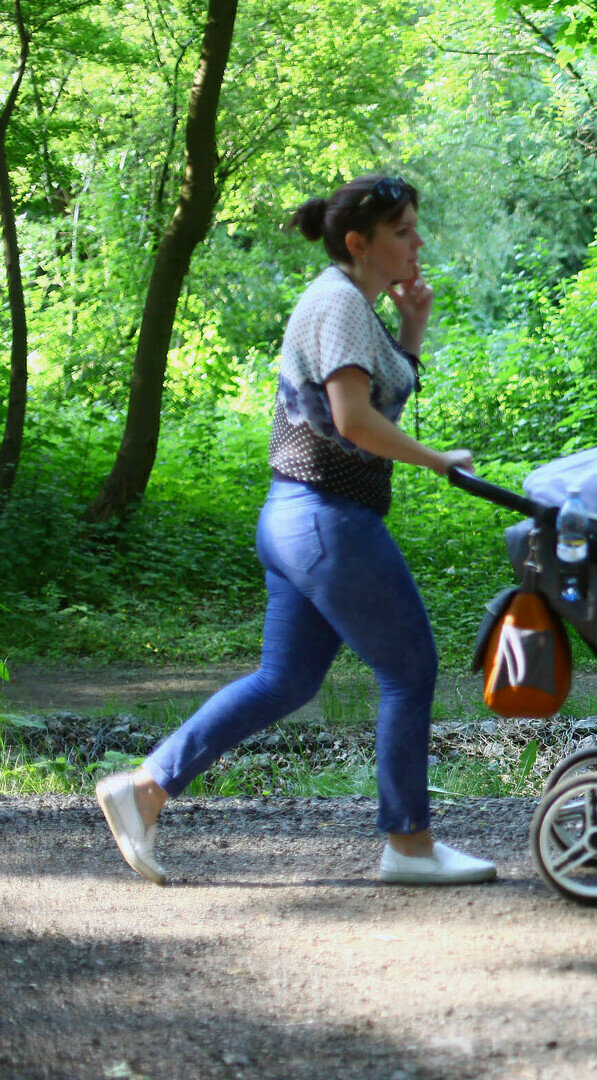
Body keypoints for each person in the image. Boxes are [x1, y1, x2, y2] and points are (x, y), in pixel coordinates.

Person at [94, 175, 496, 887]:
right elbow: (354, 421)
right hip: (326, 520)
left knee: (285, 680)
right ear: (358, 243)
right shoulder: (339, 301)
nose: (418, 241)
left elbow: (374, 400)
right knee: (409, 669)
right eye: (403, 230)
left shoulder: (353, 305)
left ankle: (145, 789)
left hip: (296, 516)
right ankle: (409, 845)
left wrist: (412, 331)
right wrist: (438, 460)